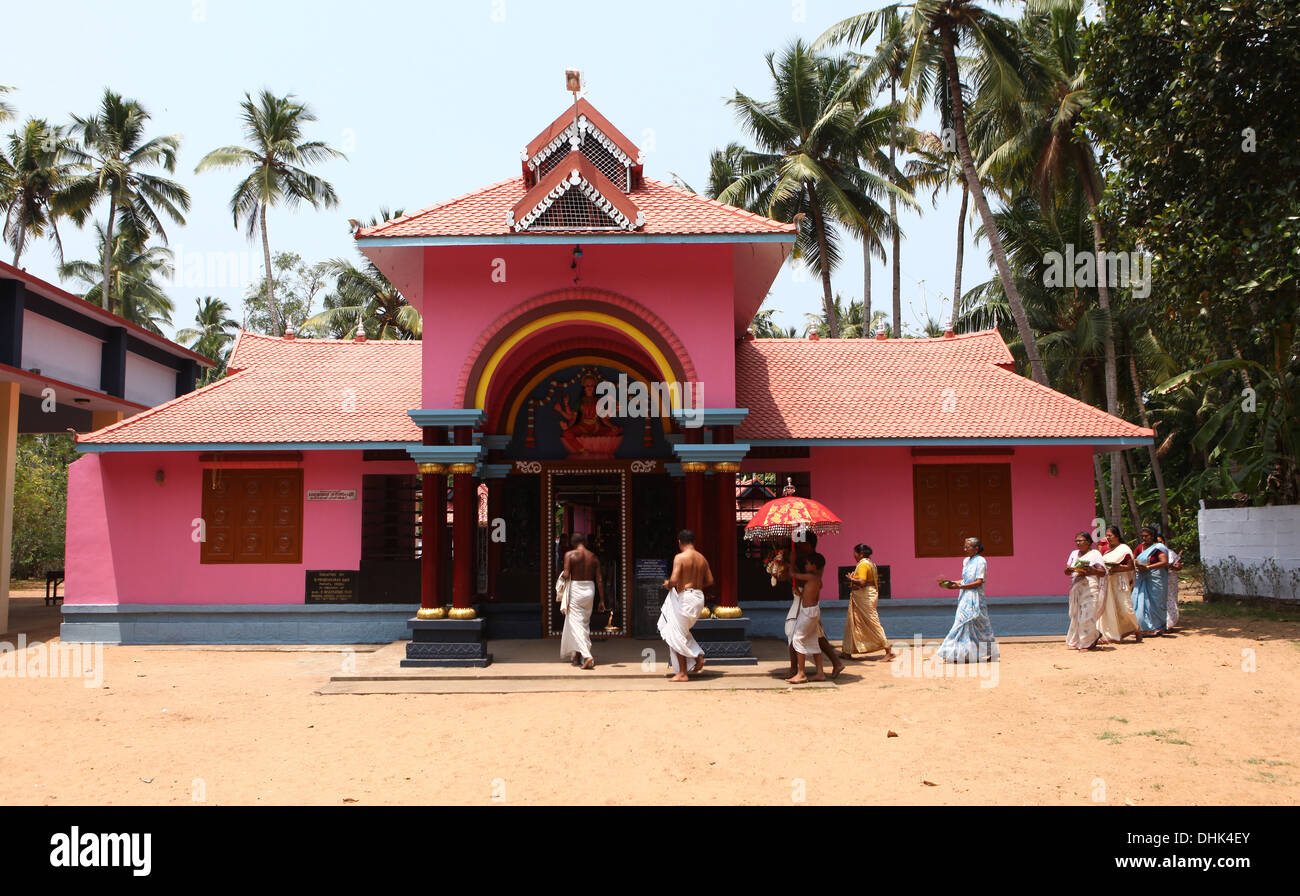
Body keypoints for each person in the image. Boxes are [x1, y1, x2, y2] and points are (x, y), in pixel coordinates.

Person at [658, 529, 712, 682]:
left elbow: (674, 580)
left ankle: (682, 673)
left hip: (686, 598)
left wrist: (668, 584)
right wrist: (695, 584)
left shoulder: (680, 557)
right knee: (679, 631)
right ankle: (698, 657)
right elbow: (710, 580)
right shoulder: (702, 558)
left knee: (674, 633)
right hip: (699, 597)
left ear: (679, 542)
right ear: (693, 541)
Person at [937, 537, 999, 662]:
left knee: (981, 626)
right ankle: (956, 654)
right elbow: (965, 580)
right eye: (964, 546)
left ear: (976, 549)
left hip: (976, 598)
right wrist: (952, 583)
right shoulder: (966, 561)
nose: (965, 549)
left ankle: (991, 652)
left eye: (967, 547)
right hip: (965, 598)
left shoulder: (981, 561)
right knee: (961, 624)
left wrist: (960, 586)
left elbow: (978, 582)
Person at [559, 533, 606, 669]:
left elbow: (567, 574)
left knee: (575, 624)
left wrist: (561, 576)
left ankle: (586, 655)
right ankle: (576, 656)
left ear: (572, 543)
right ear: (585, 541)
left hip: (576, 589)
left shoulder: (569, 555)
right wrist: (602, 600)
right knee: (583, 623)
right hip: (589, 590)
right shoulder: (593, 556)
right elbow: (600, 579)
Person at [841, 544, 895, 660]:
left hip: (865, 597)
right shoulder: (870, 563)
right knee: (853, 621)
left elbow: (862, 582)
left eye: (855, 553)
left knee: (872, 623)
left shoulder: (863, 565)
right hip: (866, 596)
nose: (853, 555)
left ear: (860, 554)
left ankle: (888, 650)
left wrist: (851, 579)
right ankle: (847, 650)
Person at [787, 552, 829, 683]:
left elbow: (792, 574)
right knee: (812, 640)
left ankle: (801, 673)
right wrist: (798, 592)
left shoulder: (810, 577)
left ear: (814, 566)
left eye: (807, 563)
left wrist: (792, 562)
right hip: (813, 611)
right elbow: (808, 596)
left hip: (808, 612)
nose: (805, 565)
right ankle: (820, 673)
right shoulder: (817, 579)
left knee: (797, 639)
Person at [1097, 526, 1143, 643]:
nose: (1108, 538)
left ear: (1117, 536)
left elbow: (1130, 566)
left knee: (1125, 608)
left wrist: (1116, 568)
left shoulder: (1124, 549)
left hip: (1120, 582)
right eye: (1106, 535)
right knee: (1111, 609)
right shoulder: (1106, 550)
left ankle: (1137, 629)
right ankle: (1113, 634)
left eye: (1110, 535)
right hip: (1108, 582)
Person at [1064, 531, 1107, 650]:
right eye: (1076, 541)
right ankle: (1077, 640)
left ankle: (1087, 642)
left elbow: (1102, 572)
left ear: (1088, 542)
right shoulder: (1073, 554)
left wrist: (1091, 571)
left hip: (1090, 587)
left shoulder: (1095, 554)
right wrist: (1069, 570)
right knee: (1076, 615)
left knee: (1087, 615)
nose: (1078, 543)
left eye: (1080, 540)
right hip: (1076, 587)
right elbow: (1067, 570)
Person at [1132, 525, 1169, 636]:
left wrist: (1148, 567)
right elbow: (1133, 558)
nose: (1144, 538)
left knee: (1155, 603)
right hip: (1141, 578)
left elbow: (1164, 562)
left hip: (1155, 579)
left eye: (1146, 536)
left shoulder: (1158, 548)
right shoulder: (1139, 547)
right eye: (1142, 536)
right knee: (1139, 602)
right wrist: (1137, 563)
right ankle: (1143, 627)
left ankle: (1158, 627)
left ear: (1152, 536)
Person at [1165, 536, 1184, 631]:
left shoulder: (1170, 553)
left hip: (1170, 580)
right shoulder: (1152, 553)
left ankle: (1169, 624)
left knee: (1170, 600)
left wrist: (1172, 567)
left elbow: (1178, 566)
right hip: (1158, 581)